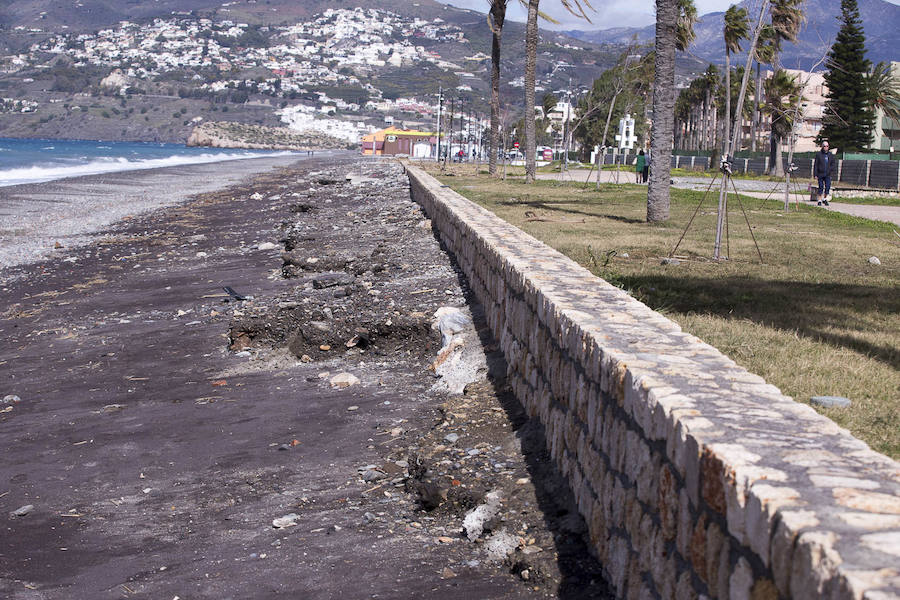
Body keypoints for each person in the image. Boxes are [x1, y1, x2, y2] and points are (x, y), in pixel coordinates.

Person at [813, 140, 836, 206]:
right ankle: (819, 200)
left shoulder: (830, 155)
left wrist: (830, 170)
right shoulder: (819, 155)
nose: (826, 147)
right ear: (822, 147)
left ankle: (825, 199)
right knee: (820, 187)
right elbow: (816, 165)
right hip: (820, 173)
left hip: (827, 174)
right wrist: (815, 174)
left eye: (827, 146)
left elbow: (833, 164)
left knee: (828, 187)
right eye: (824, 146)